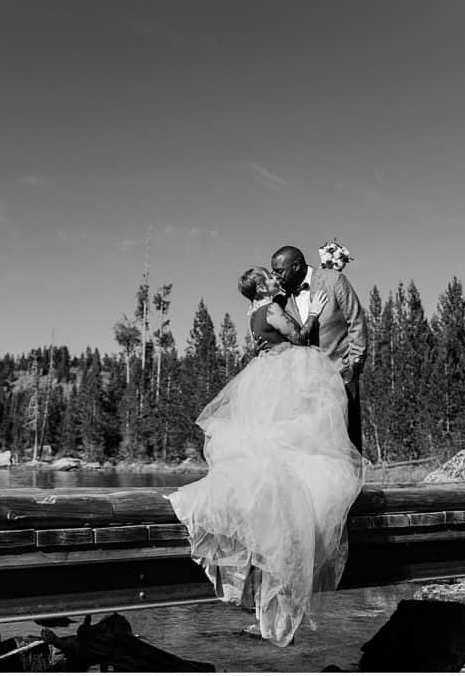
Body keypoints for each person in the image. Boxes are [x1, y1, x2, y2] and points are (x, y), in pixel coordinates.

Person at [166, 266, 364, 647]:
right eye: (269, 277)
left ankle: (261, 594)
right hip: (290, 367)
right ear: (260, 285)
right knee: (301, 432)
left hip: (266, 372)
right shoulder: (273, 309)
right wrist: (315, 311)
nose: (275, 280)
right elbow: (300, 336)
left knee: (278, 435)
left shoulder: (254, 311)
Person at [270, 245, 367, 453]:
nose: (276, 276)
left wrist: (355, 363)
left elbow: (356, 319)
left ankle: (354, 484)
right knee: (317, 440)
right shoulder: (281, 299)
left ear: (296, 266)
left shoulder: (333, 280)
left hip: (342, 371)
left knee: (348, 435)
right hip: (307, 379)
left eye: (279, 271)